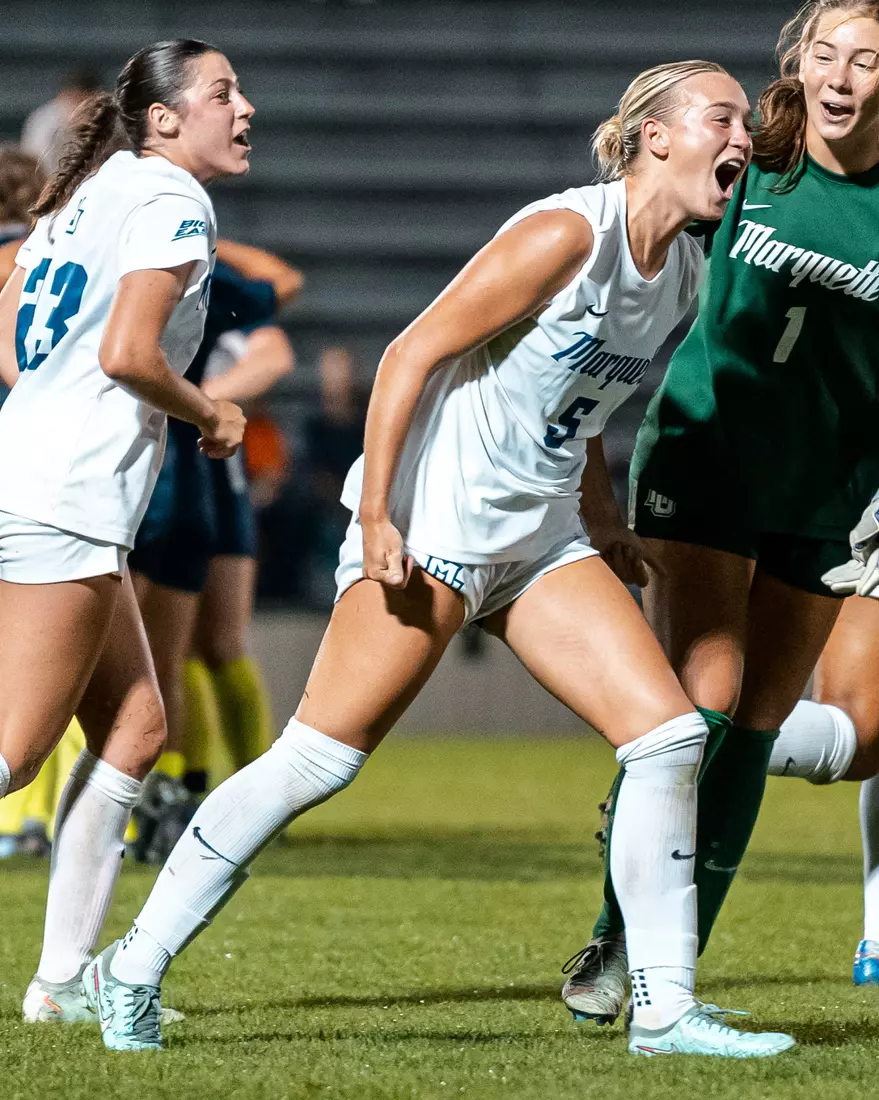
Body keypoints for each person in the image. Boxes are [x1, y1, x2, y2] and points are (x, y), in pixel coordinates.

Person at [88, 61, 791, 1060]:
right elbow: (409, 352)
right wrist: (377, 513)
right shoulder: (566, 233)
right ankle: (131, 965)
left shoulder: (680, 268)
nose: (745, 135)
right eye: (725, 116)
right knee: (316, 761)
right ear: (659, 137)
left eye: (748, 120)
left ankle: (668, 1011)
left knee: (669, 735)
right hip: (440, 529)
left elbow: (579, 405)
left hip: (539, 535)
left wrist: (598, 512)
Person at [561, 0, 879, 1025]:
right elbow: (633, 218)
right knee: (708, 693)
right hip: (708, 451)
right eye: (823, 53)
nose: (839, 76)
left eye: (866, 61)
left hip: (831, 477)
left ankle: (673, 956)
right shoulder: (753, 158)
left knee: (757, 724)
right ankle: (619, 943)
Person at [0, 37, 252, 1025]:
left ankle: (61, 982)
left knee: (138, 727)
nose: (246, 108)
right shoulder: (169, 200)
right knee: (14, 753)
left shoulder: (93, 192)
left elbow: (25, 345)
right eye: (223, 93)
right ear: (163, 116)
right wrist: (211, 414)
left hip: (37, 469)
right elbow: (128, 352)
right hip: (63, 493)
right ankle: (62, 979)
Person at [127, 244, 300, 862]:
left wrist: (198, 400)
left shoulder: (190, 267)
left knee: (194, 649)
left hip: (185, 468)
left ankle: (212, 789)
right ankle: (169, 790)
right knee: (144, 655)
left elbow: (277, 326)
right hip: (153, 460)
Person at [21, 70, 102, 174]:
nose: (76, 105)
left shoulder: (106, 118)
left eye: (83, 100)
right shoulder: (44, 121)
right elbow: (33, 160)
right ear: (64, 95)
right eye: (74, 98)